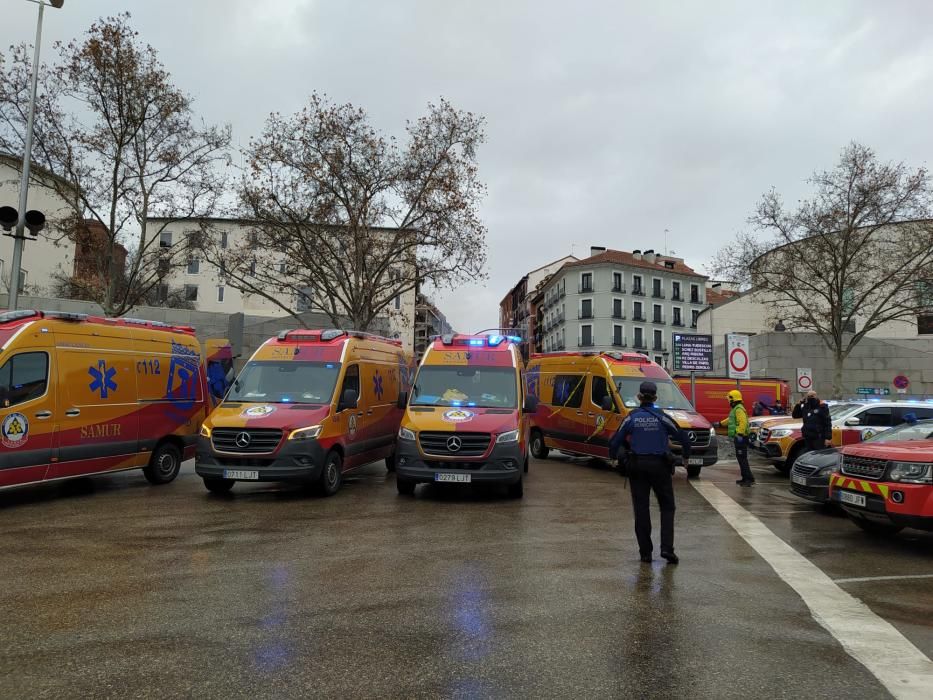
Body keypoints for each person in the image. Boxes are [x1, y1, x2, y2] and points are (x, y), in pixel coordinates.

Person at [610, 381, 690, 565]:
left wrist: (614, 456)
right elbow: (683, 437)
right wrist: (685, 457)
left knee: (641, 509)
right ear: (655, 397)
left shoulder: (632, 417)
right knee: (667, 507)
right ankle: (667, 549)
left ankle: (645, 553)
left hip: (637, 467)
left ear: (639, 397)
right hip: (659, 467)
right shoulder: (662, 417)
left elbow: (616, 440)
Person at [719, 390, 754, 486]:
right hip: (740, 437)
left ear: (733, 399)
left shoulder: (738, 409)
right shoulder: (736, 409)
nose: (728, 401)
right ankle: (746, 477)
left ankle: (748, 479)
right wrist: (720, 424)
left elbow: (743, 422)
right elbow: (730, 419)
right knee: (741, 458)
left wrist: (740, 434)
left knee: (742, 458)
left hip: (741, 437)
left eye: (729, 399)